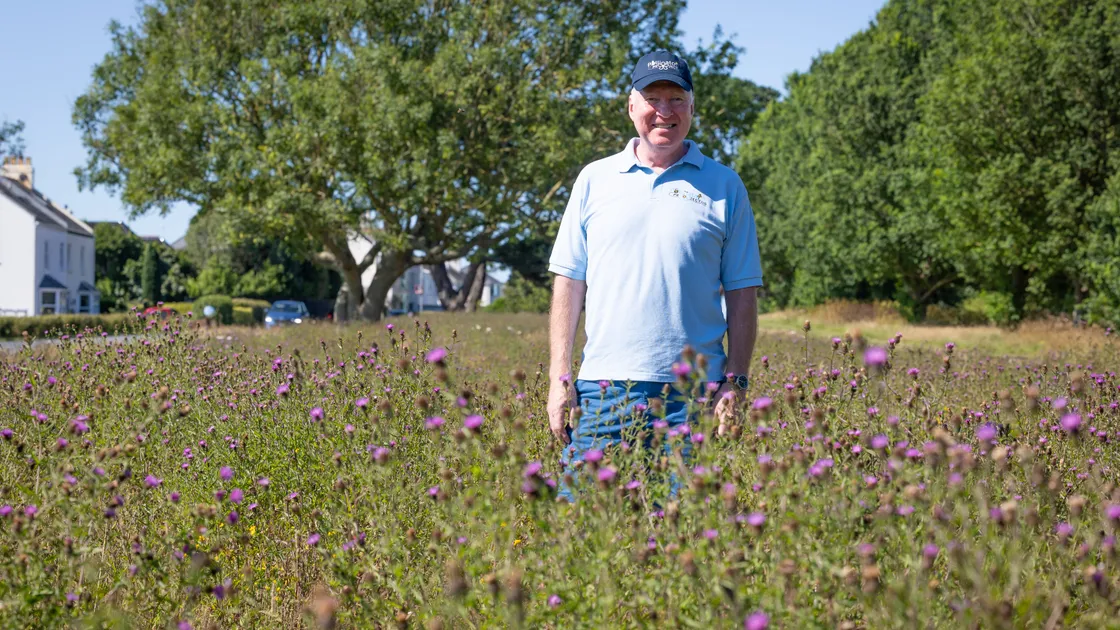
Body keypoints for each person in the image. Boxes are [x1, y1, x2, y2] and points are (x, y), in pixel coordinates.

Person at [547, 50, 763, 502]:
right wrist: (559, 377)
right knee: (586, 527)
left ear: (691, 107)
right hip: (604, 389)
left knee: (685, 534)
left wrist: (736, 381)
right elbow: (569, 281)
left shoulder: (725, 185)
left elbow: (743, 291)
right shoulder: (594, 180)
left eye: (676, 99)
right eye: (652, 98)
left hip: (695, 395)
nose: (664, 111)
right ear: (631, 107)